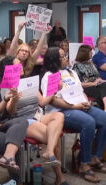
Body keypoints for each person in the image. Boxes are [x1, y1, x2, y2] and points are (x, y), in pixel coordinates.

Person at [0, 56, 68, 185]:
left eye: (21, 65)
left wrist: (55, 90)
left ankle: (49, 151)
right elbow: (11, 112)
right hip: (22, 120)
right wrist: (14, 99)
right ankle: (59, 177)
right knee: (54, 136)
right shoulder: (7, 86)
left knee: (59, 116)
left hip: (38, 115)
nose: (21, 67)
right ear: (10, 70)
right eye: (18, 65)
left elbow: (42, 102)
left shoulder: (28, 81)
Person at [41, 47, 106, 183]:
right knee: (88, 123)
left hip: (80, 106)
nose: (66, 58)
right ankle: (84, 163)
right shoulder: (49, 76)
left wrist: (85, 100)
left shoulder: (71, 72)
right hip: (60, 112)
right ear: (54, 60)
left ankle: (96, 157)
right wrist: (75, 106)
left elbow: (80, 90)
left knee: (104, 119)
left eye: (65, 55)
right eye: (62, 56)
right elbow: (53, 100)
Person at [73, 44, 106, 110]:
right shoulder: (77, 66)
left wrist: (99, 80)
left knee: (104, 85)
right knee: (101, 90)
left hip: (98, 84)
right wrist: (93, 83)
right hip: (87, 87)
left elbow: (97, 76)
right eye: (90, 52)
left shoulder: (91, 63)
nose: (92, 54)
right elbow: (78, 84)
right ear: (85, 54)